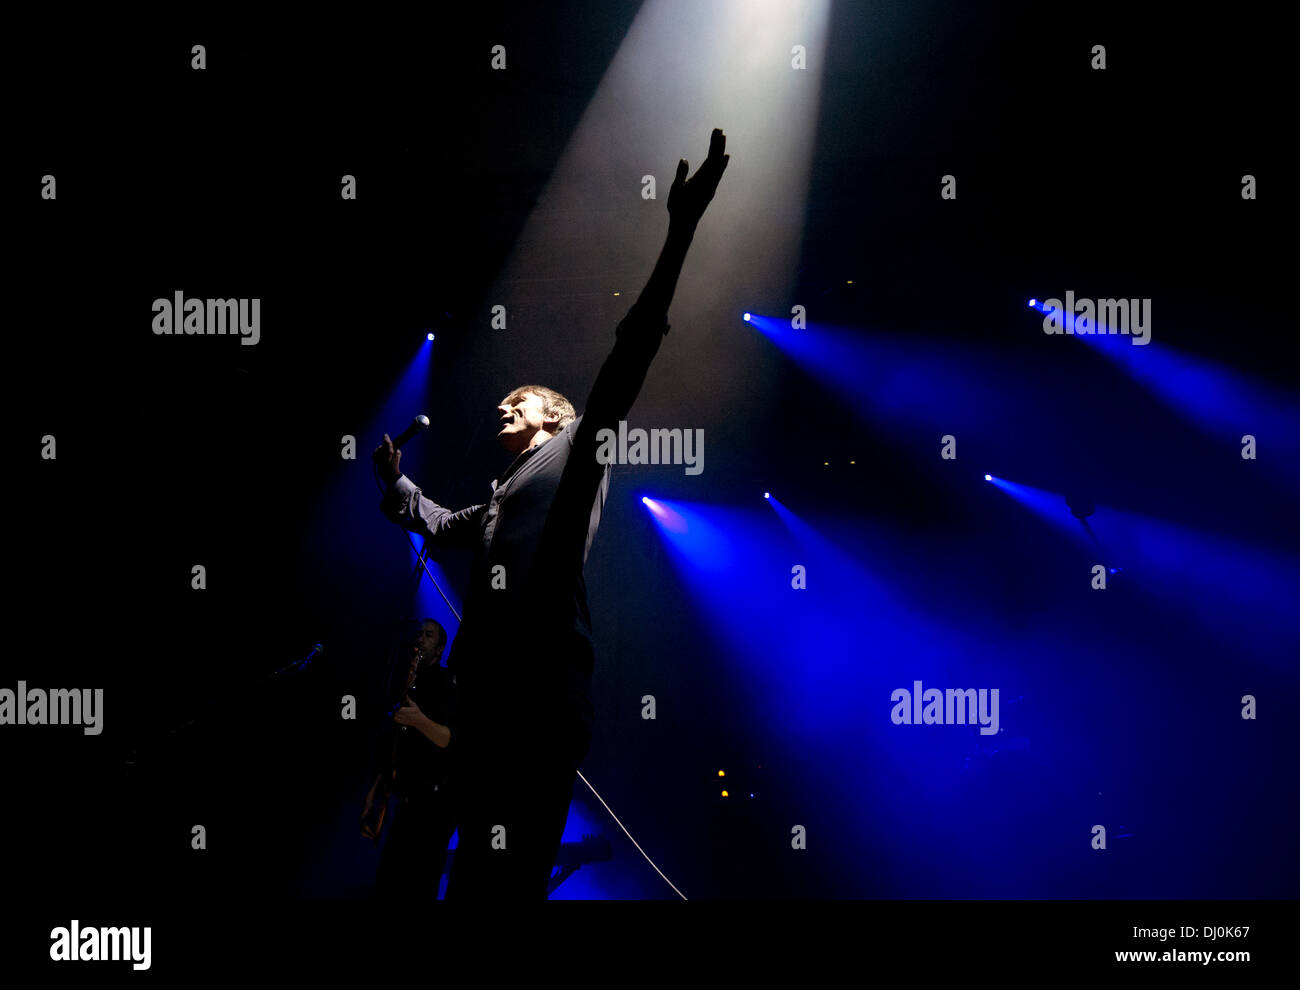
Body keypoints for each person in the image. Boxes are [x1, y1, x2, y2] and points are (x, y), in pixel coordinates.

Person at [373, 128, 729, 899]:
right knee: (470, 879)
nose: (503, 402)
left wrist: (679, 232)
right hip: (488, 708)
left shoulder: (575, 447)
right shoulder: (502, 495)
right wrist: (397, 483)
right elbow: (437, 522)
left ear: (556, 416)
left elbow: (631, 353)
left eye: (519, 399)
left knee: (506, 878)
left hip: (540, 702)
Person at [360, 619, 458, 899]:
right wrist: (374, 792)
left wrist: (420, 721)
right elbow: (393, 746)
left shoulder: (447, 683)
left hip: (433, 810)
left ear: (440, 648)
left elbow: (450, 739)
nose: (420, 640)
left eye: (429, 636)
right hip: (401, 804)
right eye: (419, 634)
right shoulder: (406, 682)